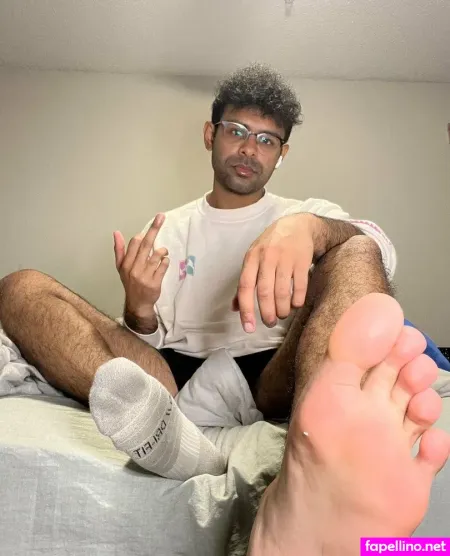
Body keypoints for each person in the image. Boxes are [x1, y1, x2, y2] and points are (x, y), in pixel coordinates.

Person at [0, 65, 448, 551]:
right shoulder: (168, 227)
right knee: (19, 288)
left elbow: (380, 253)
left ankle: (314, 470)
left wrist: (310, 229)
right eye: (236, 131)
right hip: (170, 378)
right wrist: (139, 309)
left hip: (273, 376)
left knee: (357, 247)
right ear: (210, 135)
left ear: (281, 154)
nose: (250, 148)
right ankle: (183, 446)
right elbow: (146, 341)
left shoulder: (304, 213)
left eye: (266, 140)